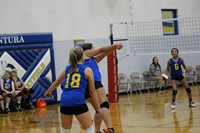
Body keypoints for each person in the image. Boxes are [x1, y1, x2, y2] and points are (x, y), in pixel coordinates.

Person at [44, 46, 102, 133]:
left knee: (65, 131)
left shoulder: (67, 69)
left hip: (64, 102)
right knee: (90, 130)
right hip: (78, 101)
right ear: (82, 55)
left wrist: (48, 91)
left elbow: (56, 82)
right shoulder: (87, 70)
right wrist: (98, 109)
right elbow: (92, 92)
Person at [82, 43, 123, 133]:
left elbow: (103, 54)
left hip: (85, 87)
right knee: (104, 104)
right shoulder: (86, 53)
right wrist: (115, 46)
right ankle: (110, 128)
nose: (94, 49)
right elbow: (101, 50)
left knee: (98, 110)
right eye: (93, 48)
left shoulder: (91, 60)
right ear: (90, 49)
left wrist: (113, 49)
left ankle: (96, 131)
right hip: (94, 83)